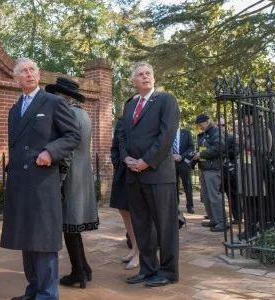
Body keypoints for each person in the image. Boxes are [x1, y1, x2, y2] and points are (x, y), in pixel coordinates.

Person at [0, 58, 80, 300]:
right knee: (27, 237)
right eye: (23, 71)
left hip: (43, 182)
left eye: (32, 70)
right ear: (16, 78)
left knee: (43, 239)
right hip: (20, 183)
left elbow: (73, 136)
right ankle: (33, 290)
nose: (29, 74)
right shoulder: (15, 109)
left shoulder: (53, 102)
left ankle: (47, 294)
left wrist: (51, 152)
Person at [120, 61, 180, 287]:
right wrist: (126, 158)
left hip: (158, 174)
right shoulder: (129, 106)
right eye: (140, 75)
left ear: (153, 78)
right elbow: (123, 137)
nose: (145, 77)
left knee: (165, 225)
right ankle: (148, 268)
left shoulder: (166, 100)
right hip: (133, 174)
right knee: (142, 225)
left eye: (148, 74)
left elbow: (166, 137)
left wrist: (146, 162)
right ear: (134, 81)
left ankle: (168, 271)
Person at [45, 76, 99, 289]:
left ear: (62, 96)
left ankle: (78, 272)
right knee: (73, 225)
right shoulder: (83, 113)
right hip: (83, 172)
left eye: (57, 95)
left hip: (70, 175)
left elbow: (66, 149)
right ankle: (84, 267)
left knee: (69, 225)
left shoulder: (66, 113)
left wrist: (59, 179)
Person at [109, 95, 140, 270]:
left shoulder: (144, 120)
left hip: (139, 170)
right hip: (123, 170)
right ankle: (134, 246)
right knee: (124, 209)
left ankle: (139, 252)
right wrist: (118, 161)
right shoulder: (121, 122)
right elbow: (115, 146)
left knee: (137, 212)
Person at [237, 105, 272, 239]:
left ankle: (259, 227)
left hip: (257, 170)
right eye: (244, 116)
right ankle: (249, 229)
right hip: (245, 168)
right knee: (246, 201)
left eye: (249, 115)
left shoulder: (264, 130)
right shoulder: (243, 130)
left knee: (256, 201)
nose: (246, 118)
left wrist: (247, 144)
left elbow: (266, 150)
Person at [193, 114, 226, 232]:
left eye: (201, 124)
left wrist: (201, 154)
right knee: (206, 197)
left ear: (207, 121)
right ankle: (214, 219)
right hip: (205, 168)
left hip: (213, 169)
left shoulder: (215, 132)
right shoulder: (205, 134)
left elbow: (219, 148)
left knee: (214, 197)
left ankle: (221, 222)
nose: (200, 127)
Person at [219, 118, 240, 224]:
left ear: (225, 126)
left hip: (229, 170)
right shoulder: (214, 137)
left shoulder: (231, 137)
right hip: (217, 170)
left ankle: (237, 217)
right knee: (218, 195)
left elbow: (235, 151)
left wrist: (222, 153)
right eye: (218, 125)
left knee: (232, 194)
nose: (220, 127)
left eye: (222, 125)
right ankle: (221, 217)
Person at [173, 127, 195, 213]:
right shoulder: (168, 132)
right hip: (171, 163)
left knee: (187, 184)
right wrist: (172, 155)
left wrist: (181, 156)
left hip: (184, 163)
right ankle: (175, 206)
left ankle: (190, 205)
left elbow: (191, 148)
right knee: (174, 185)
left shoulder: (186, 132)